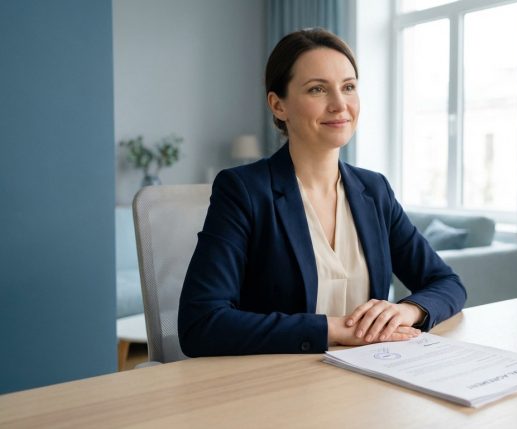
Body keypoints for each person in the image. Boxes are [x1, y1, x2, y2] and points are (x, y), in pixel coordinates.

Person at [178, 28, 466, 356]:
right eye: (317, 89)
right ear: (278, 105)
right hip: (277, 385)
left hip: (369, 378)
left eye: (348, 87)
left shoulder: (375, 190)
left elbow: (447, 283)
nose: (340, 104)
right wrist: (334, 329)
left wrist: (407, 311)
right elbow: (200, 323)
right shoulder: (243, 191)